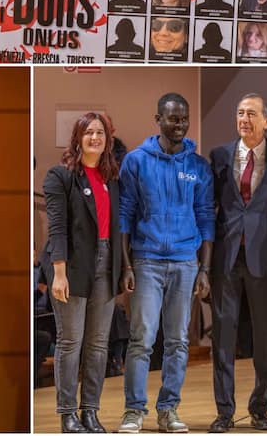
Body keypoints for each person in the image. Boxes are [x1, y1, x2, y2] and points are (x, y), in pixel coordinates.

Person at [117, 93, 213, 434]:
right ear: (158, 118)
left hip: (186, 263)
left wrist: (204, 268)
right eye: (173, 118)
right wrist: (127, 265)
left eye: (184, 119)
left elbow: (205, 218)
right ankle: (133, 410)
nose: (180, 124)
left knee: (178, 341)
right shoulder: (136, 161)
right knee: (141, 338)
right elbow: (125, 215)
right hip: (147, 262)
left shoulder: (198, 165)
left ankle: (168, 408)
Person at [207, 94, 267, 433]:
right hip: (226, 260)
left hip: (265, 260)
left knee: (264, 341)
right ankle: (224, 411)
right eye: (240, 113)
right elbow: (208, 207)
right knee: (223, 340)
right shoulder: (220, 156)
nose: (245, 119)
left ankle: (260, 408)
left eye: (252, 113)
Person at [44, 112, 124, 433]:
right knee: (70, 341)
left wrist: (125, 267)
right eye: (89, 132)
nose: (95, 138)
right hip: (72, 266)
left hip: (107, 262)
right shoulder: (60, 176)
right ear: (77, 137)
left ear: (108, 140)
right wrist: (59, 273)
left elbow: (117, 229)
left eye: (101, 133)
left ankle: (90, 410)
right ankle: (68, 415)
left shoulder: (111, 178)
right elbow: (57, 229)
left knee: (98, 344)